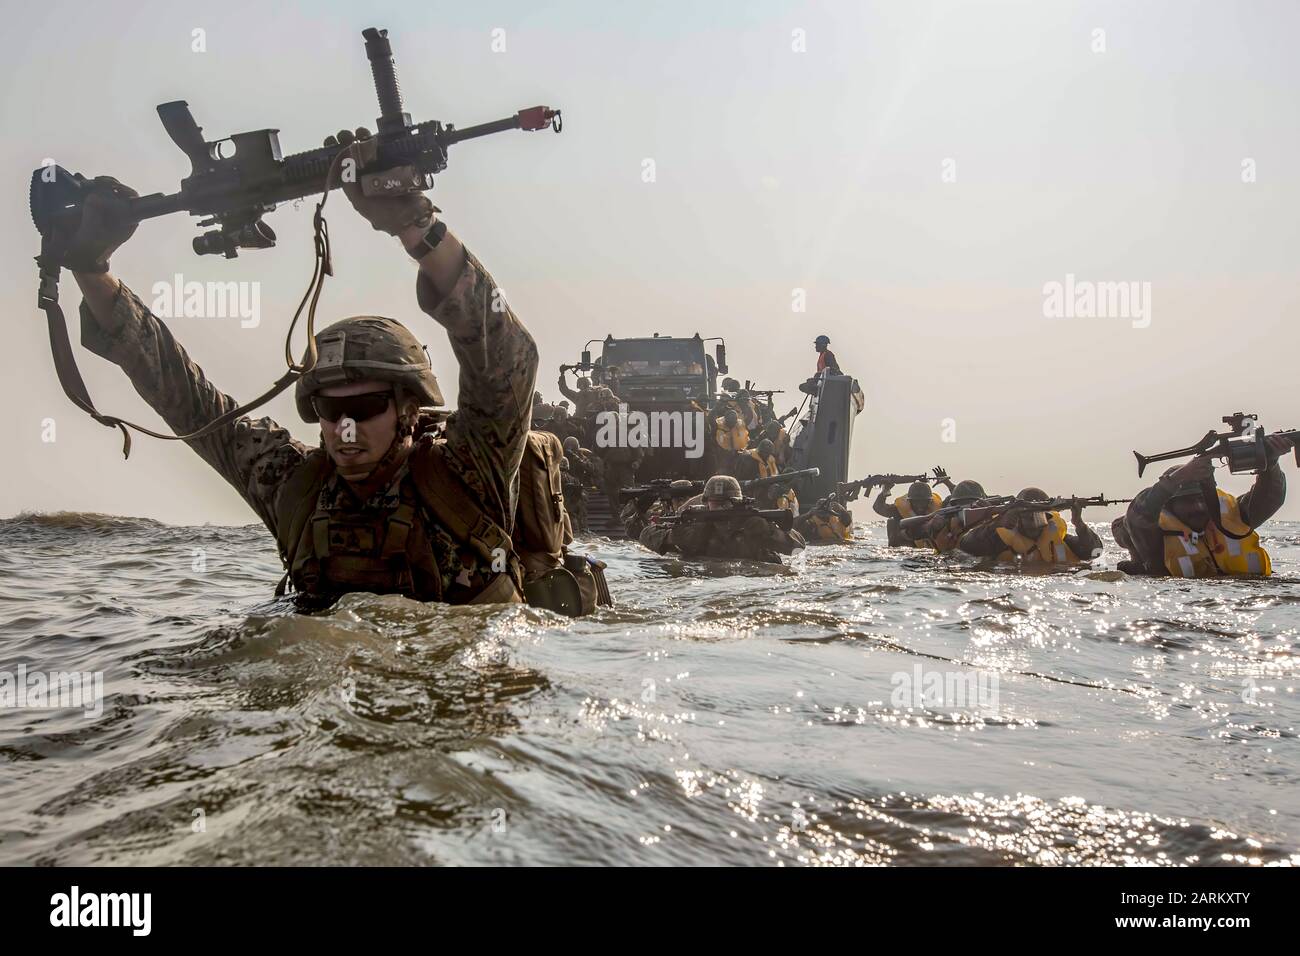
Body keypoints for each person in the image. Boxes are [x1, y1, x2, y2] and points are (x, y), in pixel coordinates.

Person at [58, 143, 541, 608]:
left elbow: (503, 351)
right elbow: (185, 395)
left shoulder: (471, 469)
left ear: (410, 409)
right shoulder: (295, 486)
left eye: (366, 408)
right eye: (330, 411)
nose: (344, 429)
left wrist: (415, 226)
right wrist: (89, 266)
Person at [1123, 439, 1292, 577]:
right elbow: (1138, 515)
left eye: (1201, 499)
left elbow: (1271, 497)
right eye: (1187, 501)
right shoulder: (1153, 537)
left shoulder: (1236, 515)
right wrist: (1176, 479)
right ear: (1170, 504)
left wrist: (1270, 464)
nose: (1198, 506)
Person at [640, 476, 805, 563]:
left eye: (726, 503)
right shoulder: (696, 523)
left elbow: (799, 545)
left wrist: (770, 532)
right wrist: (672, 537)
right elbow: (646, 534)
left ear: (738, 502)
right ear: (706, 503)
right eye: (715, 503)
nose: (720, 509)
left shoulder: (753, 523)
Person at [958, 488, 1102, 566]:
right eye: (1027, 514)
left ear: (1048, 516)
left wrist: (1079, 523)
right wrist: (997, 523)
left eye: (1039, 515)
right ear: (1017, 517)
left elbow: (1094, 552)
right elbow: (966, 546)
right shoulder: (999, 541)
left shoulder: (1060, 540)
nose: (1033, 521)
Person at [873, 479, 943, 547]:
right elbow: (879, 508)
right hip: (907, 548)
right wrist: (885, 491)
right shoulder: (899, 510)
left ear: (929, 501)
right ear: (910, 501)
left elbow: (953, 504)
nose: (920, 506)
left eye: (923, 502)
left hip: (931, 548)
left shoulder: (937, 510)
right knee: (892, 522)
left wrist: (948, 483)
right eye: (916, 502)